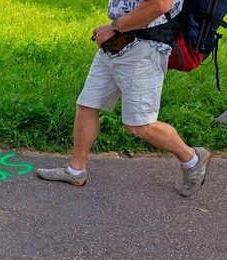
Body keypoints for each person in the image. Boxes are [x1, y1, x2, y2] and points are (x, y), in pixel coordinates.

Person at [37, 0, 211, 197]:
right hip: (117, 42)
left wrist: (113, 28)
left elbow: (160, 4)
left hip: (144, 48)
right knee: (88, 103)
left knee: (140, 124)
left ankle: (193, 159)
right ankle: (75, 170)